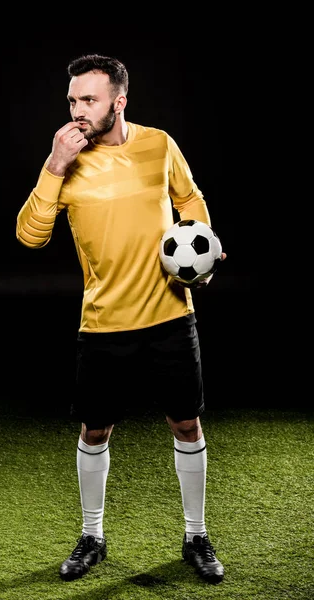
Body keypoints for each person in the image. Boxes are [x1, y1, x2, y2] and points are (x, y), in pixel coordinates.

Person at [16, 53, 226, 585]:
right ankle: (92, 535)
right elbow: (30, 235)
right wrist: (54, 164)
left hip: (170, 317)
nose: (78, 111)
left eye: (89, 99)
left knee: (186, 423)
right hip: (103, 323)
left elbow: (190, 199)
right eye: (72, 100)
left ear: (119, 101)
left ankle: (196, 535)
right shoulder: (67, 161)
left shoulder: (159, 144)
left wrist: (202, 249)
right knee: (94, 429)